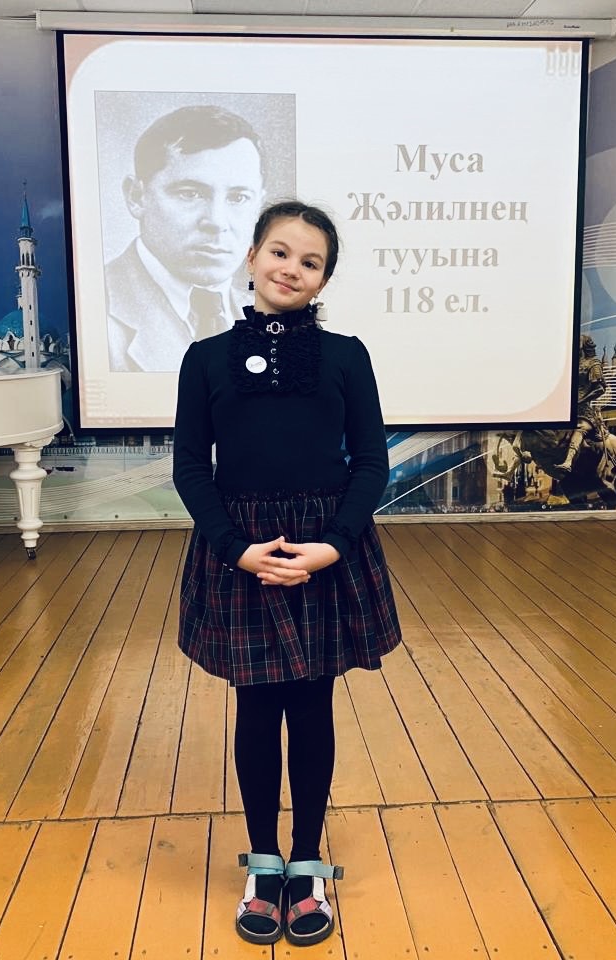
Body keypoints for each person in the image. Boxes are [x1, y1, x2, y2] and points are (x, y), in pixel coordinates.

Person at [173, 201, 401, 947]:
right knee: (255, 707)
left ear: (323, 279)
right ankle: (263, 862)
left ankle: (306, 861)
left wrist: (333, 545)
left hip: (324, 551)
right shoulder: (205, 358)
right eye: (279, 252)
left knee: (312, 706)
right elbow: (190, 468)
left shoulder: (347, 356)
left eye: (310, 262)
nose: (291, 269)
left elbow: (371, 462)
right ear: (252, 257)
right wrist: (234, 548)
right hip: (241, 551)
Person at [105, 105, 265, 372]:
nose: (217, 222)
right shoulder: (97, 311)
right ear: (136, 196)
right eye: (190, 194)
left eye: (238, 197)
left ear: (259, 205)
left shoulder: (271, 317)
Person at [552, 333, 607, 475]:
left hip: (584, 411)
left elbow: (600, 388)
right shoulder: (571, 364)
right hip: (567, 408)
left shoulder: (593, 363)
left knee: (580, 428)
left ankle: (568, 462)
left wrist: (581, 400)